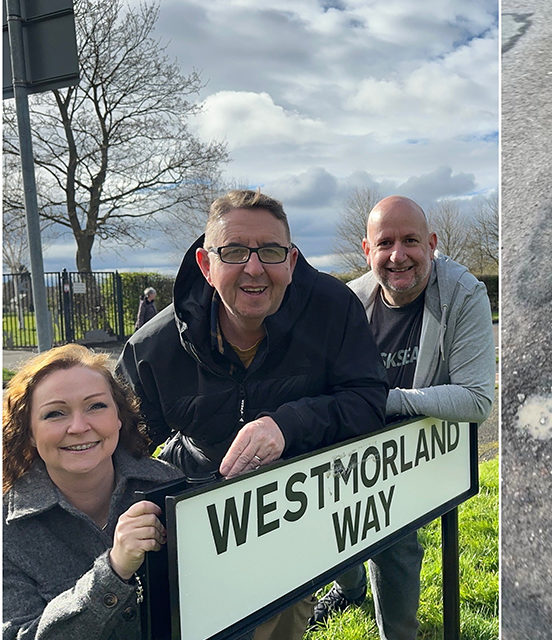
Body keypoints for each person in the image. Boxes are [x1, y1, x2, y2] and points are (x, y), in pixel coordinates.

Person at [117, 189, 388, 639]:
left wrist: (287, 425)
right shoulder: (153, 348)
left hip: (302, 515)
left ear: (292, 260)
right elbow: (117, 444)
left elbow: (368, 399)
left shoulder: (333, 308)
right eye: (236, 251)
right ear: (206, 265)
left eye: (271, 251)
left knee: (287, 625)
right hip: (206, 531)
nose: (255, 267)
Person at [311, 195, 495, 639]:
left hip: (409, 446)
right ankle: (350, 588)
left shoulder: (463, 292)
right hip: (357, 436)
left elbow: (476, 400)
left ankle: (399, 634)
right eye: (385, 242)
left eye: (411, 240)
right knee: (333, 520)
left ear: (431, 243)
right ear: (366, 249)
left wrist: (385, 401)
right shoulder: (351, 302)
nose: (398, 255)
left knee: (393, 543)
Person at [3, 344, 183, 640]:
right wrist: (113, 571)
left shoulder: (169, 485)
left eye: (96, 406)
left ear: (119, 417)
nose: (78, 426)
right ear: (30, 433)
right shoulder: (7, 532)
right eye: (55, 414)